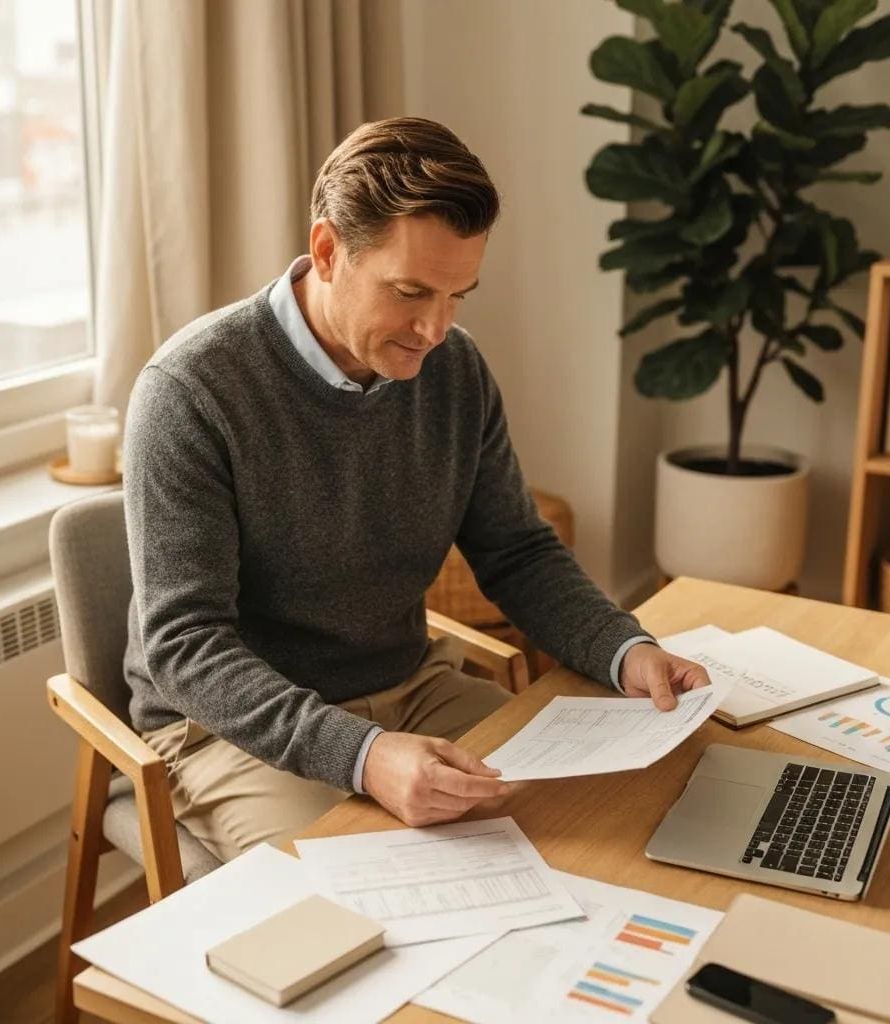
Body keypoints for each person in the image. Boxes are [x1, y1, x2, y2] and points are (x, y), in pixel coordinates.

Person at [123, 116, 710, 862]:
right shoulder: (191, 391)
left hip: (409, 685)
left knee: (600, 820)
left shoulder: (453, 371)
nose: (435, 329)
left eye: (458, 294)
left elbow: (518, 551)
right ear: (329, 251)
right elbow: (187, 645)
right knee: (362, 894)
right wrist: (364, 754)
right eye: (410, 292)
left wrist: (624, 649)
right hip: (228, 726)